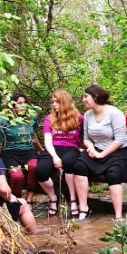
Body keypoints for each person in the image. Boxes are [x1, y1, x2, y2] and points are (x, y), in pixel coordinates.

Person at [73, 85, 127, 221]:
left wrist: (102, 154)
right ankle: (83, 208)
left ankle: (118, 215)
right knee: (79, 166)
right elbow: (86, 139)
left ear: (95, 97)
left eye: (85, 96)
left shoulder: (115, 113)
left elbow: (119, 140)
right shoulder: (88, 115)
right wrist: (92, 149)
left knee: (113, 174)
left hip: (119, 150)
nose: (83, 100)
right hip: (96, 149)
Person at [35, 90, 83, 218]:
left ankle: (73, 199)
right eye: (53, 102)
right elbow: (47, 142)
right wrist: (55, 156)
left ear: (65, 102)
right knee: (40, 170)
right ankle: (53, 197)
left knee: (69, 163)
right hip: (53, 149)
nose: (54, 105)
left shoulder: (79, 118)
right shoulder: (49, 119)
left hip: (71, 148)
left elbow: (84, 139)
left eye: (57, 102)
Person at [0, 91, 41, 202]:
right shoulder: (4, 121)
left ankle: (29, 197)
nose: (23, 106)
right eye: (19, 103)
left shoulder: (31, 118)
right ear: (13, 105)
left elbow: (33, 135)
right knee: (17, 176)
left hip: (28, 151)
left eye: (24, 103)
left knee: (34, 167)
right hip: (10, 153)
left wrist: (41, 149)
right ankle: (16, 199)